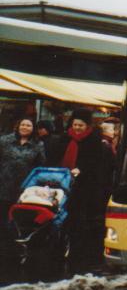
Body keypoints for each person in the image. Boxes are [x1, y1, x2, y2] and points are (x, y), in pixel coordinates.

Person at [47, 108, 114, 265]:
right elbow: (56, 157)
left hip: (84, 186)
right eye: (75, 124)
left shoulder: (94, 141)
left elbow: (96, 163)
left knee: (78, 219)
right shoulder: (64, 138)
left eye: (81, 125)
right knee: (59, 216)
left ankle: (77, 251)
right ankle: (58, 246)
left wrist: (81, 169)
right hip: (62, 182)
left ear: (87, 126)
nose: (77, 128)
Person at [0, 117, 46, 259]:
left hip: (24, 187)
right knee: (2, 216)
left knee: (17, 218)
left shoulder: (38, 144)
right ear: (18, 125)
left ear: (33, 129)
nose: (25, 127)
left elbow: (41, 165)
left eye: (29, 125)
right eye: (23, 124)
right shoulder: (4, 141)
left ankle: (14, 248)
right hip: (4, 183)